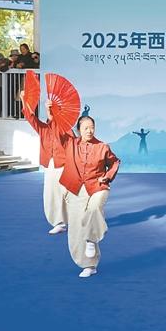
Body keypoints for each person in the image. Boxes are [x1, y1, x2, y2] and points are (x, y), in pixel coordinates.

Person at [56, 113, 120, 278]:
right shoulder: (70, 143)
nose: (89, 131)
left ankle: (92, 238)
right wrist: (51, 114)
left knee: (94, 209)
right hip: (76, 189)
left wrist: (107, 176)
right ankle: (89, 265)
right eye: (85, 128)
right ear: (78, 130)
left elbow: (115, 162)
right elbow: (59, 129)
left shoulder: (102, 147)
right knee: (77, 228)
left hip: (98, 187)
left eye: (92, 128)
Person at [21, 90, 69, 235]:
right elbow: (30, 117)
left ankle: (78, 220)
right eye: (50, 109)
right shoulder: (43, 129)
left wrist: (51, 115)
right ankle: (59, 222)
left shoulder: (66, 129)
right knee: (52, 194)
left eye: (54, 110)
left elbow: (64, 137)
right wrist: (24, 100)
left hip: (65, 164)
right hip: (51, 165)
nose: (51, 112)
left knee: (68, 194)